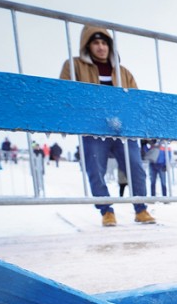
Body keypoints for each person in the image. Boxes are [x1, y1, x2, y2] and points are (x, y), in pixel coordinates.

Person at [59, 24, 155, 228]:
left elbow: (135, 99)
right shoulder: (74, 66)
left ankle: (141, 208)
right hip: (92, 128)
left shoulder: (123, 72)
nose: (101, 47)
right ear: (87, 45)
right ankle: (106, 211)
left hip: (122, 130)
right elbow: (64, 93)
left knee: (136, 167)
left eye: (104, 43)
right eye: (96, 42)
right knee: (95, 168)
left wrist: (139, 126)